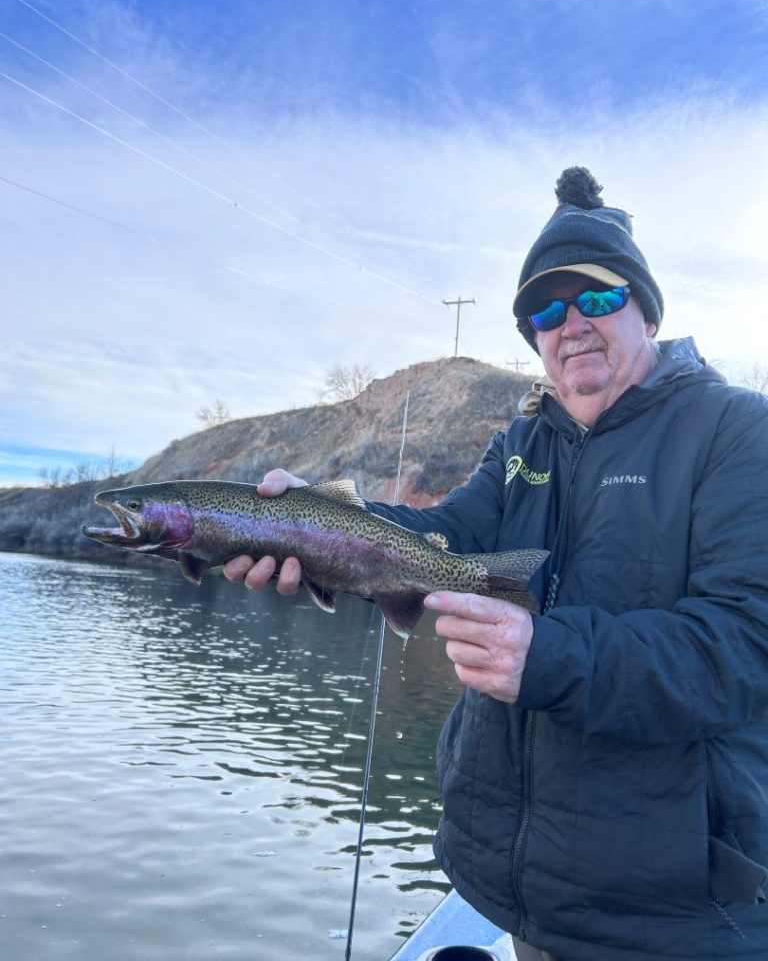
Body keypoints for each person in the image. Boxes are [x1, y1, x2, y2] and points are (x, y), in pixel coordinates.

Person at [224, 167, 768, 961]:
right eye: (545, 310)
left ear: (646, 309)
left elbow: (744, 647)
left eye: (597, 298)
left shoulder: (736, 432)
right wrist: (314, 530)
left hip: (674, 916)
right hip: (521, 891)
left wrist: (549, 657)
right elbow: (438, 539)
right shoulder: (521, 445)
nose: (570, 323)